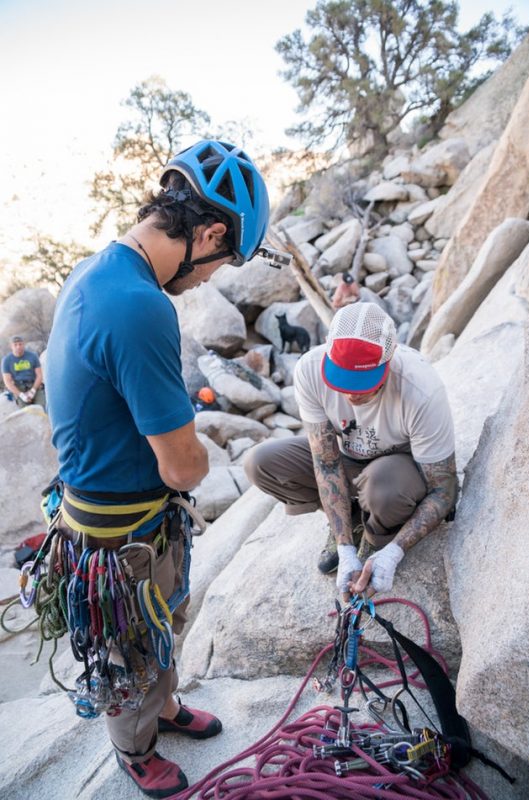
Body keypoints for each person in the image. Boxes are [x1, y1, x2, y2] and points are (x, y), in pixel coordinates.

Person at [45, 139, 270, 798]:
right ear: (210, 234)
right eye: (223, 261)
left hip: (99, 506)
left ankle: (164, 706)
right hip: (123, 528)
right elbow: (183, 471)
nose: (210, 277)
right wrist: (194, 448)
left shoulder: (97, 271)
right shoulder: (141, 305)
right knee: (131, 641)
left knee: (158, 620)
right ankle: (134, 749)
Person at [244, 302, 457, 601]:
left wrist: (395, 552)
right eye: (342, 381)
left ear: (389, 359)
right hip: (349, 458)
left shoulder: (420, 389)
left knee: (383, 488)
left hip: (398, 468)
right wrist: (344, 545)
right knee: (260, 463)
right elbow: (326, 463)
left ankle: (376, 534)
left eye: (362, 385)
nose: (349, 394)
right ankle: (353, 521)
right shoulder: (310, 369)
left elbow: (444, 489)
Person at [2, 335, 46, 409]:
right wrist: (21, 395)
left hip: (34, 385)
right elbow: (7, 381)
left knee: (42, 408)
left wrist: (33, 391)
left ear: (23, 344)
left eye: (20, 344)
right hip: (19, 387)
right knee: (26, 411)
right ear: (11, 346)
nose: (18, 347)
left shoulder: (33, 356)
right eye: (15, 345)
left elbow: (39, 375)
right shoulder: (6, 361)